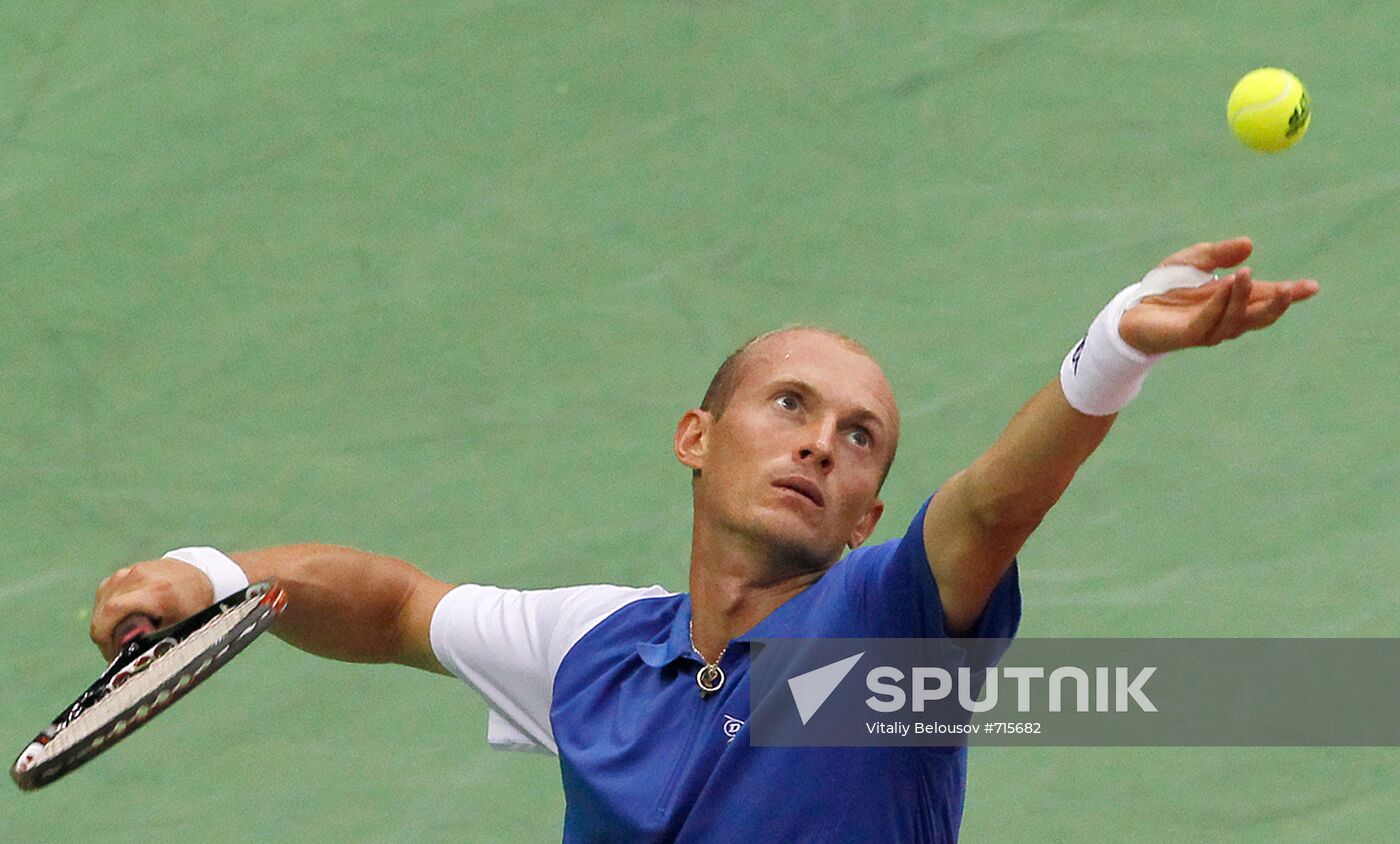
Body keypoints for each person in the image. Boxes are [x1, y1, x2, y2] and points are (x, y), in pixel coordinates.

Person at [90, 237, 1317, 842]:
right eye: (790, 405)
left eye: (858, 439)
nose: (820, 444)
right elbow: (395, 603)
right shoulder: (593, 652)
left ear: (866, 518)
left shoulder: (886, 636)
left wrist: (1116, 344)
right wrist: (213, 576)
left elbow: (996, 504)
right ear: (696, 434)